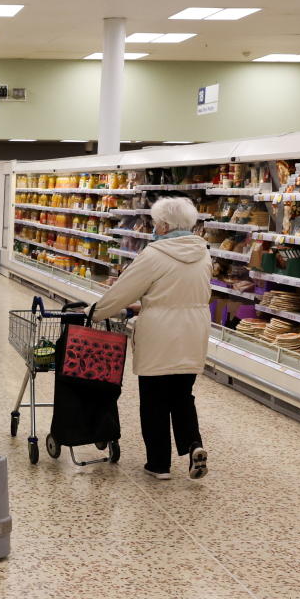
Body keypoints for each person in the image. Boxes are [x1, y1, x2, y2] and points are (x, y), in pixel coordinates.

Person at [92, 195, 211, 481]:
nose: (154, 228)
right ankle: (194, 445)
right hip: (194, 331)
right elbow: (177, 291)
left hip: (160, 333)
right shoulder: (203, 252)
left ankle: (159, 465)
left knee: (155, 399)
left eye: (156, 223)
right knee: (183, 395)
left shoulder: (154, 254)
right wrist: (148, 302)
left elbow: (123, 291)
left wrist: (94, 313)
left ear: (165, 225)